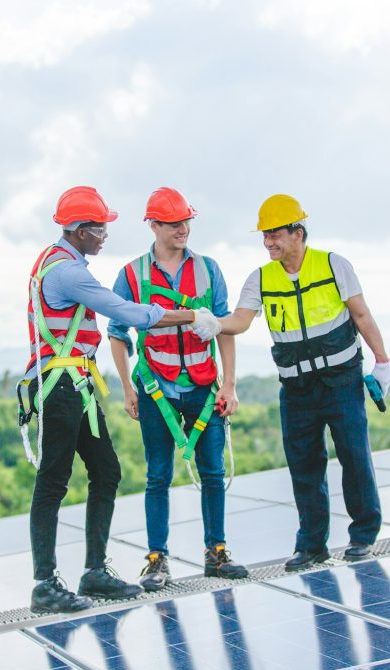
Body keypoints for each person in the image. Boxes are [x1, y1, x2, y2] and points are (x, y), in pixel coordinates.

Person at [24, 185, 222, 614]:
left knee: (107, 471)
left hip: (75, 382)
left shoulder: (54, 260)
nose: (104, 236)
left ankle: (94, 570)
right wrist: (191, 315)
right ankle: (44, 582)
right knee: (54, 482)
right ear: (77, 231)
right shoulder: (68, 272)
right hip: (60, 385)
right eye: (98, 228)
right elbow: (127, 312)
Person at [217, 194, 390, 568]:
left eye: (275, 234)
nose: (269, 242)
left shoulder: (333, 265)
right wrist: (209, 323)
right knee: (304, 466)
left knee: (354, 456)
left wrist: (382, 361)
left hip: (341, 380)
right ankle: (311, 544)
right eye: (265, 236)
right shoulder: (260, 278)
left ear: (297, 232)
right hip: (296, 389)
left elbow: (361, 315)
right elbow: (240, 321)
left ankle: (363, 535)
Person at [108, 187, 249, 591]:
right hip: (155, 388)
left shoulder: (208, 269)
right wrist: (126, 388)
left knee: (213, 472)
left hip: (204, 387)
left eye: (186, 221)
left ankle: (216, 553)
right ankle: (157, 560)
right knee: (158, 475)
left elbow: (224, 328)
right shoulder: (133, 275)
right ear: (154, 225)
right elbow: (117, 333)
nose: (183, 228)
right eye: (173, 223)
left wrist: (229, 384)